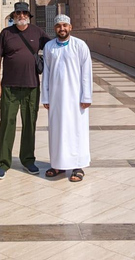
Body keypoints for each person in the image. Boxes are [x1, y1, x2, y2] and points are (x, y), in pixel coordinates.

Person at [0, 1, 52, 180]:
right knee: (7, 123)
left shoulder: (37, 33)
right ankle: (3, 163)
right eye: (18, 13)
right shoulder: (6, 34)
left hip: (31, 86)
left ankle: (27, 160)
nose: (21, 16)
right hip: (9, 86)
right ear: (13, 16)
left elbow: (53, 50)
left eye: (24, 13)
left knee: (29, 124)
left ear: (29, 15)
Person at [41, 14, 92, 182]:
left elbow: (86, 72)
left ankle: (78, 166)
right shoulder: (49, 47)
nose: (61, 29)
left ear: (70, 27)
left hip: (76, 98)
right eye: (58, 26)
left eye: (64, 25)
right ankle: (58, 165)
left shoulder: (80, 45)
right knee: (58, 131)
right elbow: (46, 73)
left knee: (76, 131)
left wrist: (86, 96)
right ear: (54, 28)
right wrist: (46, 97)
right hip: (56, 98)